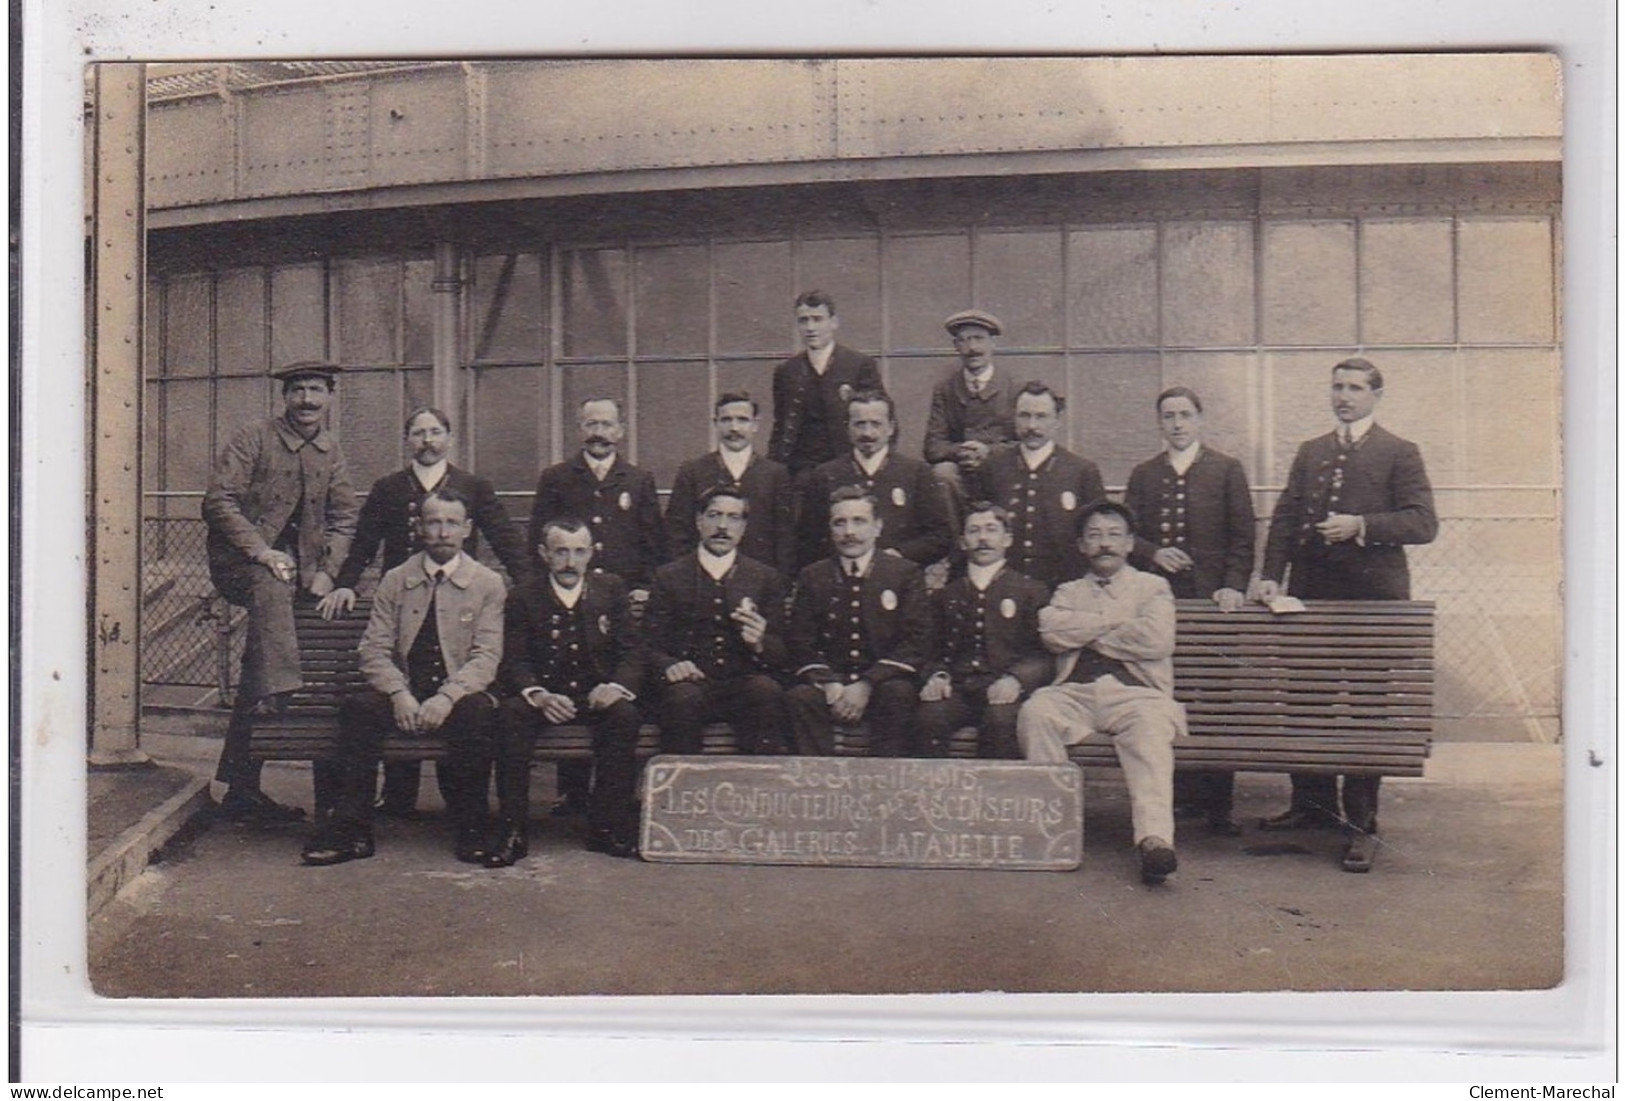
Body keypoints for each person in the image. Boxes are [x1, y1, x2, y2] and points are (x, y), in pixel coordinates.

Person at [1251, 358, 1438, 873]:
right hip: (1310, 598)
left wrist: (1361, 524)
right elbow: (1287, 517)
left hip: (1372, 605)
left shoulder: (1400, 452)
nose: (1344, 396)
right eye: (1337, 387)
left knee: (1365, 711)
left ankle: (1361, 824)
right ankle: (1313, 808)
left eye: (1355, 388)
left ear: (1377, 395)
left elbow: (1423, 523)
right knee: (1305, 700)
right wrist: (1270, 574)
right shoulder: (1312, 451)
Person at [316, 406, 531, 819]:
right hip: (406, 596)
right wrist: (345, 581)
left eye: (435, 432)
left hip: (459, 599)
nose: (427, 440)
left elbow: (504, 538)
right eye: (418, 433)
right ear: (408, 440)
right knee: (405, 675)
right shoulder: (389, 487)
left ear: (449, 438)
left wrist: (527, 585)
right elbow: (365, 540)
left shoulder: (473, 485)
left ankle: (461, 807)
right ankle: (398, 800)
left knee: (454, 691)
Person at [300, 489, 506, 867]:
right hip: (406, 692)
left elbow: (486, 657)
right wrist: (398, 693)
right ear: (419, 528)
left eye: (451, 523)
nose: (443, 531)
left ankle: (473, 826)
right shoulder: (397, 579)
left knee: (478, 712)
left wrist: (447, 697)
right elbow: (373, 649)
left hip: (458, 697)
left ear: (467, 529)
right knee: (360, 710)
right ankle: (352, 830)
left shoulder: (487, 584)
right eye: (434, 522)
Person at [202, 360, 358, 824]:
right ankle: (284, 690)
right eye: (298, 391)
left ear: (329, 397)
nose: (307, 400)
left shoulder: (332, 451)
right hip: (241, 564)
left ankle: (241, 789)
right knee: (272, 589)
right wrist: (262, 551)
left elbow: (345, 518)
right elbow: (218, 501)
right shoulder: (254, 437)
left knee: (261, 666)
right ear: (284, 397)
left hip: (299, 575)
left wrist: (328, 570)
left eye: (316, 390)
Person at [1017, 500, 1186, 886]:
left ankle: (1154, 838)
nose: (1104, 544)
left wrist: (1087, 631)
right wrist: (1117, 622)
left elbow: (1156, 640)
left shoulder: (1153, 586)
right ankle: (1052, 830)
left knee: (1149, 731)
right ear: (1081, 546)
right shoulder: (1068, 590)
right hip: (1075, 693)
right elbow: (1051, 631)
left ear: (1129, 544)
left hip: (1137, 695)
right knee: (1037, 711)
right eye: (1094, 536)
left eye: (1113, 535)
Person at [1123, 385, 1256, 835]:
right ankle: (1175, 798)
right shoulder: (1144, 475)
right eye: (1168, 416)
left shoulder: (1226, 470)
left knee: (1214, 695)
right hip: (1158, 606)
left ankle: (1218, 803)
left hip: (1213, 605)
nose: (1177, 424)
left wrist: (1233, 586)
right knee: (1164, 694)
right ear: (1159, 423)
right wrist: (1153, 553)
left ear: (1200, 419)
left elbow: (1242, 537)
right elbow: (1128, 537)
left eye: (1184, 415)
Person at [528, 397, 668, 818]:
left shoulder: (639, 480)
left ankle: (615, 796)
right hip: (568, 595)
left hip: (619, 603)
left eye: (607, 425)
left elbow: (653, 543)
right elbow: (537, 540)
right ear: (579, 428)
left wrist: (643, 588)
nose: (599, 432)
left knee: (610, 686)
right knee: (570, 674)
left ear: (621, 430)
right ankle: (572, 792)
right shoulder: (556, 478)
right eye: (591, 424)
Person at [495, 518, 646, 862]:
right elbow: (513, 660)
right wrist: (538, 694)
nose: (570, 561)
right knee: (510, 715)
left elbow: (632, 650)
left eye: (579, 552)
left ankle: (606, 829)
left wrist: (616, 686)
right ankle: (512, 831)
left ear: (591, 554)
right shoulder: (523, 596)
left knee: (625, 715)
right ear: (543, 554)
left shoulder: (610, 589)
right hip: (546, 699)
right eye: (561, 551)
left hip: (595, 696)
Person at [786, 486, 933, 757]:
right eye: (839, 523)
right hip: (831, 684)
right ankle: (818, 787)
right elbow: (800, 640)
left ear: (877, 527)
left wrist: (867, 684)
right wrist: (829, 683)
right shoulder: (813, 575)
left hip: (883, 683)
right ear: (830, 529)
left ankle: (884, 787)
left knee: (898, 694)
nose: (849, 532)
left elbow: (915, 641)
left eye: (859, 521)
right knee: (801, 698)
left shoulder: (904, 573)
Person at [645, 486, 791, 756]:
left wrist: (760, 643)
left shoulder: (764, 577)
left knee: (766, 692)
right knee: (681, 699)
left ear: (744, 527)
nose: (722, 526)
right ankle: (684, 792)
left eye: (733, 518)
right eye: (714, 515)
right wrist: (671, 665)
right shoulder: (670, 576)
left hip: (743, 684)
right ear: (699, 521)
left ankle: (756, 792)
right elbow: (650, 645)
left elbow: (782, 651)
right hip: (692, 686)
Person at [917, 504, 1052, 759]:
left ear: (1007, 539)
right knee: (930, 717)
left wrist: (1016, 679)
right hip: (958, 688)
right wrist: (937, 675)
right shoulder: (946, 595)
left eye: (991, 530)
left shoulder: (1031, 591)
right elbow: (928, 649)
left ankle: (996, 798)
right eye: (973, 531)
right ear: (963, 541)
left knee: (1001, 721)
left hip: (1004, 687)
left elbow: (1043, 654)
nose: (982, 538)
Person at [796, 389, 954, 569]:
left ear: (891, 428)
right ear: (847, 427)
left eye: (876, 424)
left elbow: (940, 536)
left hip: (900, 579)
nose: (868, 433)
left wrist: (898, 555)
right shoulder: (825, 475)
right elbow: (809, 539)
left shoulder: (917, 473)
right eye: (860, 424)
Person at [972, 381, 1106, 589]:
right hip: (1005, 590)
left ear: (1057, 421)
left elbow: (1097, 536)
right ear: (1014, 419)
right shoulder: (992, 469)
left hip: (1064, 589)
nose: (1032, 426)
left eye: (1041, 416)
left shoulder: (1082, 471)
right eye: (1024, 416)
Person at [664, 392, 796, 577]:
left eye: (742, 420)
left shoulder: (775, 474)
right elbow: (677, 534)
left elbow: (785, 538)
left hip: (759, 582)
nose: (734, 428)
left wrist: (779, 584)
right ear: (715, 424)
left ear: (755, 425)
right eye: (726, 420)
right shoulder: (693, 471)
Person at [768, 290, 884, 478]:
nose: (810, 327)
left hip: (850, 467)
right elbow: (781, 427)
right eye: (803, 320)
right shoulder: (787, 371)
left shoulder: (859, 365)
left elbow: (883, 418)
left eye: (817, 319)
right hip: (801, 471)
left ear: (834, 322)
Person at [924, 310, 1018, 518]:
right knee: (942, 474)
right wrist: (961, 452)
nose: (972, 348)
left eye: (979, 339)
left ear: (993, 343)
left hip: (1001, 471)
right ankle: (956, 545)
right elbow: (933, 446)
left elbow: (1023, 443)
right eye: (964, 341)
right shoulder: (945, 388)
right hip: (961, 474)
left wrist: (987, 452)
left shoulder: (1014, 388)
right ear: (956, 347)